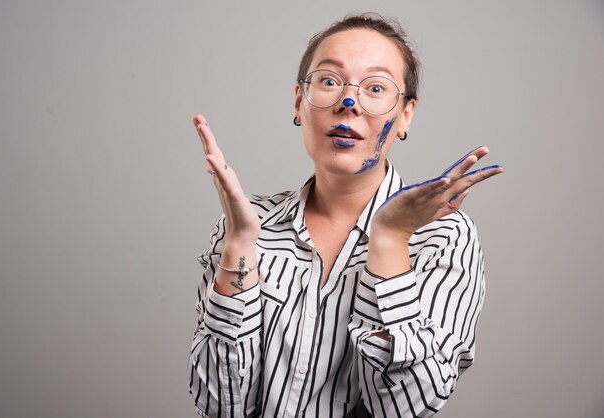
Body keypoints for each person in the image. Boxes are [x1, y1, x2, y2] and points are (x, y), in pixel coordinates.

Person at [188, 13, 502, 418]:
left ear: (406, 114)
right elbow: (220, 406)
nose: (347, 104)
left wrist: (390, 240)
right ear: (299, 100)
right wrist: (239, 246)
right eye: (329, 81)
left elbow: (403, 407)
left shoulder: (444, 237)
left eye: (376, 87)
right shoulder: (247, 227)